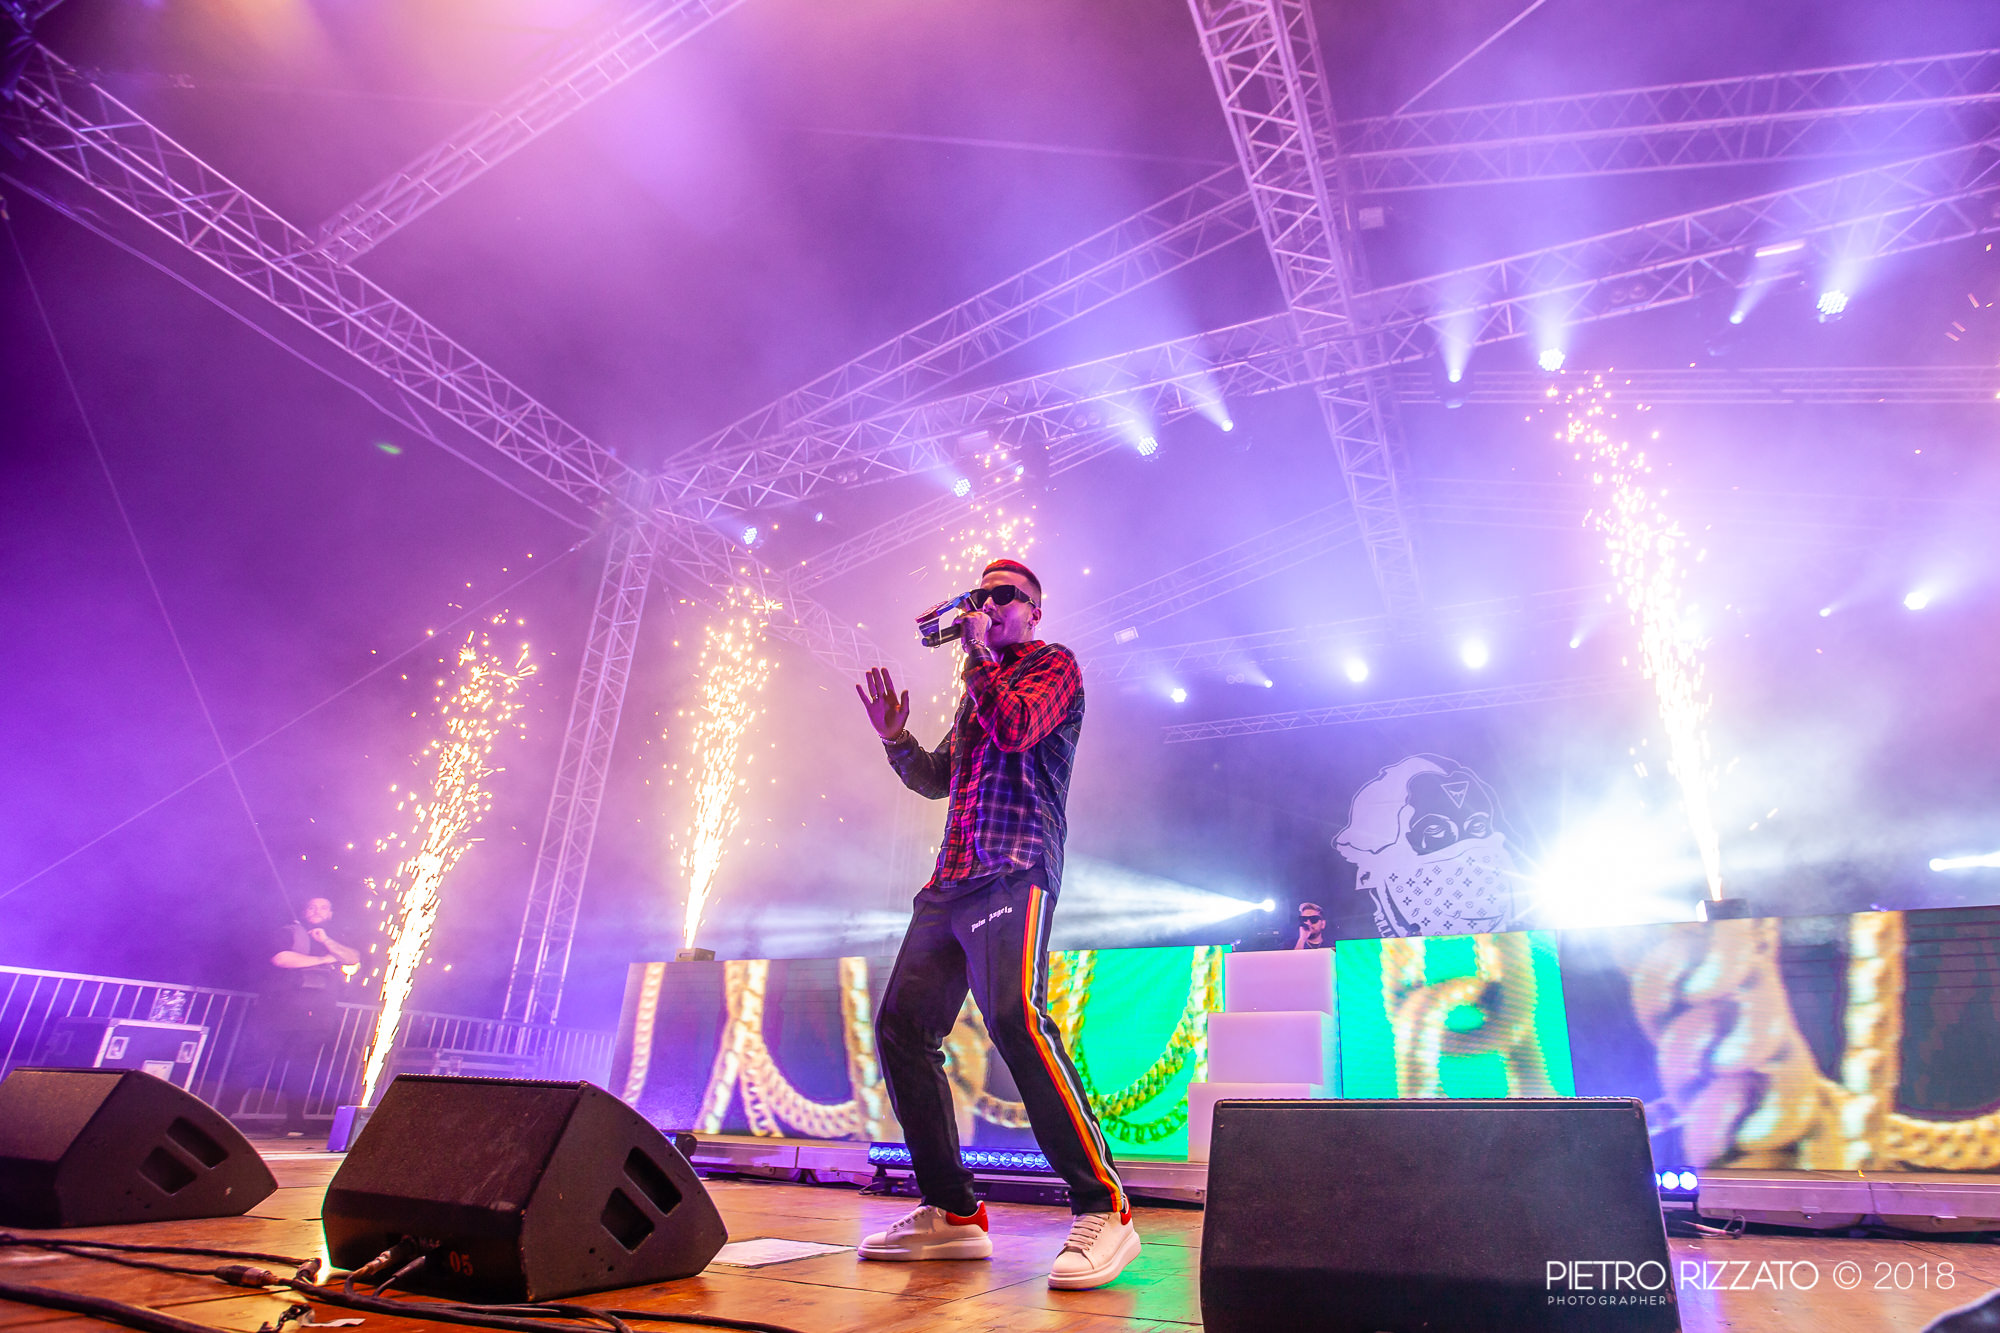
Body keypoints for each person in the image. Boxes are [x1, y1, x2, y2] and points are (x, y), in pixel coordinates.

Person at [853, 558, 1140, 1291]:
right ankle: (952, 1211)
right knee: (902, 1028)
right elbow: (938, 778)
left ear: (1034, 610)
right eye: (980, 595)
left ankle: (1103, 1205)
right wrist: (896, 739)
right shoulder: (978, 687)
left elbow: (1016, 728)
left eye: (1004, 595)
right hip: (951, 880)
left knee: (1015, 1016)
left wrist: (978, 653)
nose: (988, 604)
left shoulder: (1053, 666)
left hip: (1015, 868)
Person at [252, 896, 358, 1136]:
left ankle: (294, 1122)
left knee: (302, 1067)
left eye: (324, 907)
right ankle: (223, 1117)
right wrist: (324, 959)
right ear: (304, 911)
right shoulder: (289, 931)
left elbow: (352, 958)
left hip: (316, 1016)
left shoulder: (335, 938)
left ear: (331, 913)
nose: (318, 911)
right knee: (255, 1060)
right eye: (312, 907)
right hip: (279, 1010)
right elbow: (281, 958)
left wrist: (326, 941)